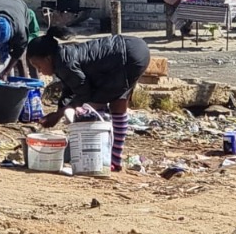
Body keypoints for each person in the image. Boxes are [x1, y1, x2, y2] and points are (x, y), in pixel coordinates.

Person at [30, 27, 152, 173]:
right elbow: (70, 89)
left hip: (127, 56)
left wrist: (58, 115)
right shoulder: (62, 58)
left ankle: (106, 159)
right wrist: (59, 111)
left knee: (93, 107)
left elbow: (84, 93)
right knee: (116, 103)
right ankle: (113, 160)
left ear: (48, 59)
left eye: (38, 66)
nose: (39, 71)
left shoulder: (65, 63)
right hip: (133, 49)